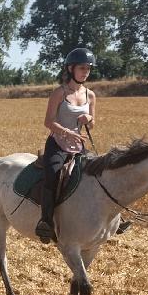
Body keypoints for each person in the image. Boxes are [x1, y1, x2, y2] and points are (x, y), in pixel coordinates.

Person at [35, 47, 97, 244]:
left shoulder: (91, 95)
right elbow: (48, 122)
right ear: (71, 69)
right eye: (82, 68)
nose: (85, 72)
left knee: (98, 174)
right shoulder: (59, 93)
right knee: (52, 175)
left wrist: (88, 118)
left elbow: (92, 123)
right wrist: (67, 132)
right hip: (58, 144)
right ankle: (45, 222)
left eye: (88, 69)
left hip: (79, 145)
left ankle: (112, 219)